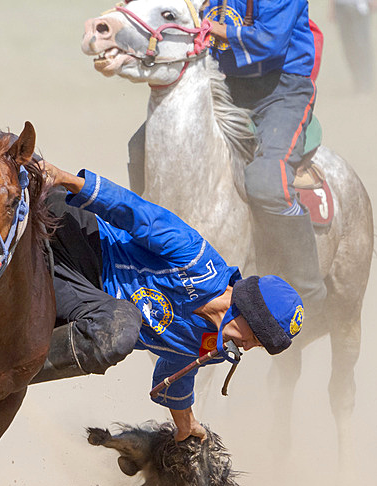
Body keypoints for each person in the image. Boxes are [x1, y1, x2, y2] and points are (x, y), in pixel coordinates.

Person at [0, 146, 305, 441]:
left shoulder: (213, 345)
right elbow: (134, 212)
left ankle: (3, 372)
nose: (246, 347)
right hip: (74, 236)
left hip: (79, 298)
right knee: (10, 152)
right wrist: (64, 178)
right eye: (253, 337)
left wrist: (186, 428)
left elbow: (171, 377)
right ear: (244, 309)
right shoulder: (195, 259)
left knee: (117, 329)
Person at [127, 0, 327, 310]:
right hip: (223, 81)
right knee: (140, 144)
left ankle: (309, 292)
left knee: (266, 185)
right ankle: (140, 246)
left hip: (282, 90)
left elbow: (269, 41)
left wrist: (211, 28)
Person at [329, 0, 377, 94]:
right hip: (341, 5)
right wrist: (332, 6)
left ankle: (366, 85)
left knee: (361, 45)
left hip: (360, 6)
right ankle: (357, 82)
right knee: (348, 47)